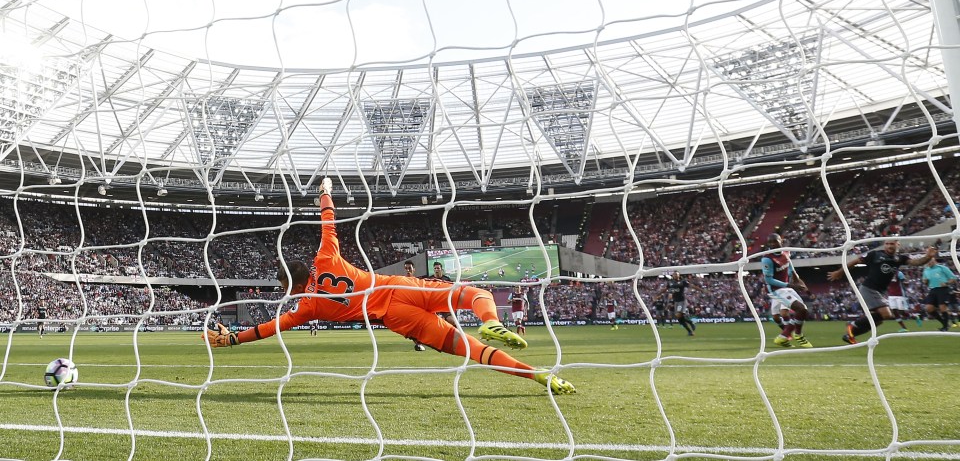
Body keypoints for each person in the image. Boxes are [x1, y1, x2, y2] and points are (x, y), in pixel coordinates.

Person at [204, 178, 575, 394]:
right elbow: (328, 222)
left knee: (471, 351)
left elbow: (271, 329)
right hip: (399, 287)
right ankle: (490, 319)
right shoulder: (326, 259)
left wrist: (234, 338)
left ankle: (537, 374)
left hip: (395, 319)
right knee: (474, 293)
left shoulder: (307, 306)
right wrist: (325, 191)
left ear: (294, 285)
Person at [828, 239, 937, 344]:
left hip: (880, 292)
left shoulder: (900, 258)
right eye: (887, 244)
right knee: (886, 314)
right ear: (884, 245)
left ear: (898, 245)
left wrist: (928, 256)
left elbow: (917, 262)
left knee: (877, 321)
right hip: (869, 288)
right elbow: (855, 261)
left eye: (892, 244)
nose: (889, 246)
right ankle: (852, 324)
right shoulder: (875, 254)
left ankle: (850, 335)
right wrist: (840, 272)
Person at [760, 233, 812, 348]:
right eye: (770, 243)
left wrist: (797, 282)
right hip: (775, 290)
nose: (773, 244)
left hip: (787, 288)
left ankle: (790, 335)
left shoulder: (786, 252)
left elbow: (791, 270)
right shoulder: (767, 259)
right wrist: (789, 284)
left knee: (803, 311)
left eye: (775, 241)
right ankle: (787, 335)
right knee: (791, 312)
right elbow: (768, 280)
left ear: (781, 240)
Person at [921, 256, 958, 332]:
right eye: (927, 261)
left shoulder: (942, 268)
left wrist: (946, 283)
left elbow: (954, 278)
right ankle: (944, 323)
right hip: (933, 289)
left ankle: (945, 327)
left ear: (934, 260)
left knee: (942, 307)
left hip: (943, 289)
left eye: (930, 261)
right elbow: (926, 282)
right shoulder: (926, 270)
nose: (929, 263)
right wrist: (925, 282)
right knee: (928, 308)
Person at [403, 260, 428, 351]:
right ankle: (418, 344)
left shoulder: (418, 282)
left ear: (414, 270)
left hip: (417, 308)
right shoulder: (401, 281)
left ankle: (420, 343)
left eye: (409, 268)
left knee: (419, 327)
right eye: (406, 268)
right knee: (410, 329)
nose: (407, 270)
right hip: (406, 308)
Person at [667, 272, 699, 336]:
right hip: (676, 301)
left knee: (679, 315)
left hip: (682, 301)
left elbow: (689, 286)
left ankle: (691, 323)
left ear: (679, 275)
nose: (675, 276)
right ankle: (690, 331)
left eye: (676, 274)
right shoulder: (671, 283)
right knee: (680, 320)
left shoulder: (682, 282)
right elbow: (670, 292)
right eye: (674, 275)